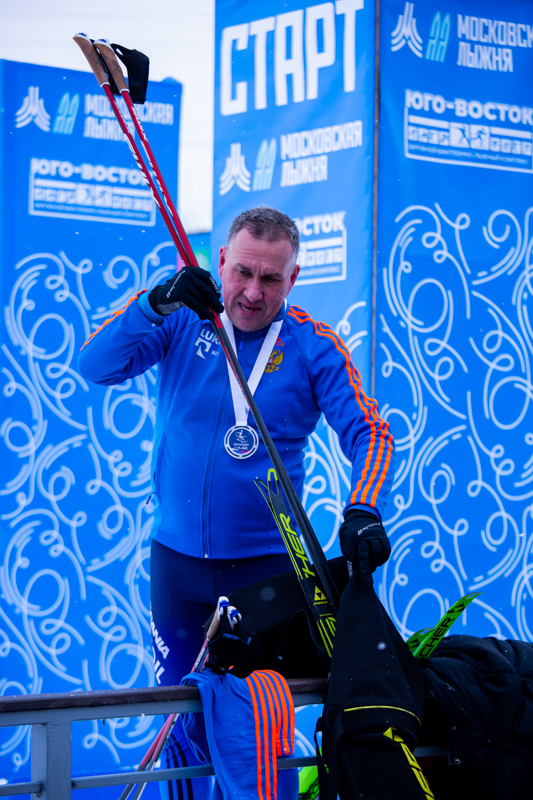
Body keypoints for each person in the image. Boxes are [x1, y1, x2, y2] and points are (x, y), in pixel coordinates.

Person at [78, 206, 394, 800]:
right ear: (221, 262)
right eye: (243, 272)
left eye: (271, 279)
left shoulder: (312, 345)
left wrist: (363, 508)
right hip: (177, 570)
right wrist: (156, 302)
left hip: (266, 576)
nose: (252, 292)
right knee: (182, 721)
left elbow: (370, 433)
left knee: (257, 734)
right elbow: (95, 365)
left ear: (293, 278)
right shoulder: (181, 319)